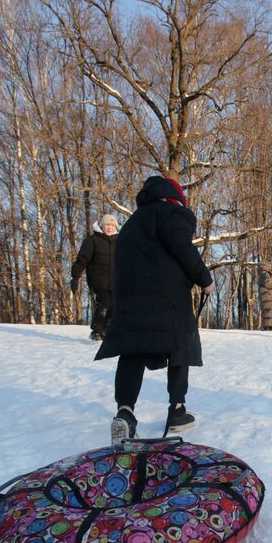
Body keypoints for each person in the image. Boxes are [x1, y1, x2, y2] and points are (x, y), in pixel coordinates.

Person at [97, 176, 214, 441]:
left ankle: (125, 412)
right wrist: (204, 279)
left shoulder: (131, 224)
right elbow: (181, 246)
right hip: (167, 297)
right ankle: (177, 410)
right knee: (179, 344)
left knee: (133, 351)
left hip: (131, 299)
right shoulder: (173, 213)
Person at [72, 215, 117, 341]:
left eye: (112, 225)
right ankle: (97, 331)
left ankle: (107, 331)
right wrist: (75, 277)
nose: (109, 228)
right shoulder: (92, 240)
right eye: (107, 225)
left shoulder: (120, 240)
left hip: (116, 280)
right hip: (99, 279)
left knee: (115, 304)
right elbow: (82, 260)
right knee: (105, 302)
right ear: (102, 226)